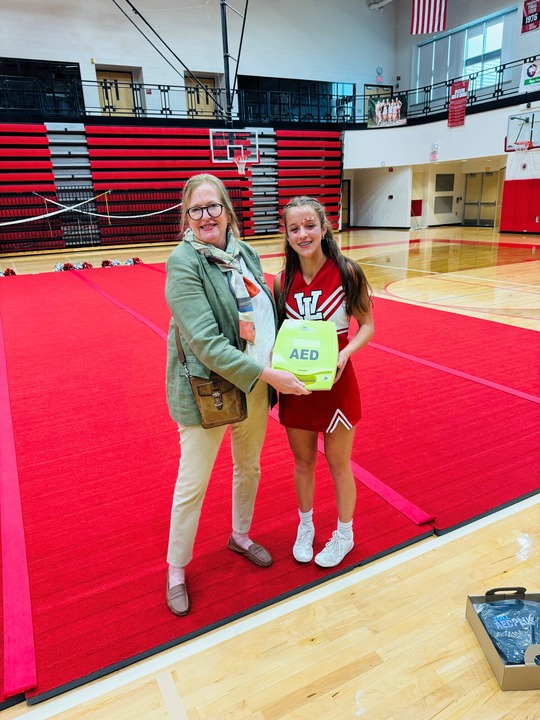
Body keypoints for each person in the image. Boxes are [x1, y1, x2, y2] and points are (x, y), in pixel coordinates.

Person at [164, 173, 308, 616]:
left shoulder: (242, 251)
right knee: (193, 483)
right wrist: (267, 372)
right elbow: (207, 344)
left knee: (249, 467)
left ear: (227, 210)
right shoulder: (183, 263)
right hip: (209, 391)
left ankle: (240, 535)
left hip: (257, 384)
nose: (205, 216)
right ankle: (175, 569)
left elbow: (263, 312)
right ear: (186, 218)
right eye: (196, 209)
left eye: (213, 206)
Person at [273, 196, 374, 569]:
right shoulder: (282, 281)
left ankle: (344, 534)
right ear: (285, 233)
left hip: (338, 389)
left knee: (338, 463)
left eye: (309, 226)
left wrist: (345, 354)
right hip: (298, 391)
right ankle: (305, 526)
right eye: (294, 228)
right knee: (302, 463)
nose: (303, 234)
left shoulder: (347, 272)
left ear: (324, 227)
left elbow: (367, 326)